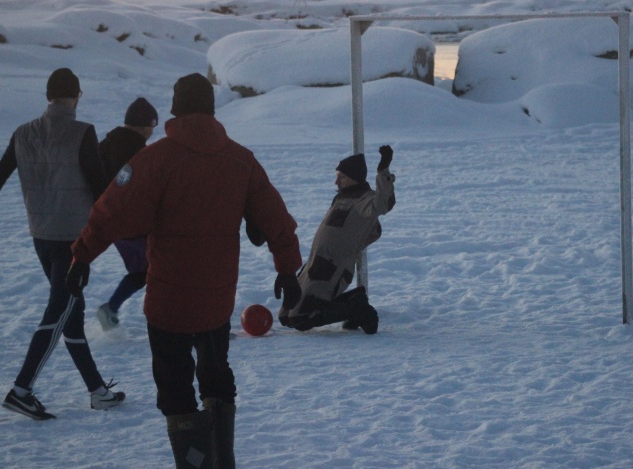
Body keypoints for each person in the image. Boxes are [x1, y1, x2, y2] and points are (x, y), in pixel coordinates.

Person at [66, 73, 302, 468]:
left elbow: (111, 210)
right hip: (216, 299)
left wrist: (81, 255)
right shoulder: (240, 159)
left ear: (174, 110)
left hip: (168, 303)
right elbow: (276, 217)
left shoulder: (153, 159)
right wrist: (288, 269)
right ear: (211, 108)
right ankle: (221, 460)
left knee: (176, 390)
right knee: (216, 377)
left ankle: (195, 462)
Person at [0, 68, 126, 420]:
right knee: (59, 312)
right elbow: (101, 189)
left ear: (48, 96)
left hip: (41, 239)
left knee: (71, 316)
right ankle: (21, 390)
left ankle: (97, 392)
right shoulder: (83, 133)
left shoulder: (23, 133)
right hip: (73, 243)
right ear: (77, 96)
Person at [277, 146, 396, 335]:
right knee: (286, 315)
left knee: (300, 318)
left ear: (354, 178)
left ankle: (358, 309)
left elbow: (382, 203)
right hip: (314, 266)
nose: (336, 181)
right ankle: (354, 302)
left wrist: (383, 170)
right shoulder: (342, 199)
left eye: (342, 177)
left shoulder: (363, 200)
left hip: (332, 270)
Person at [95, 97, 159, 331]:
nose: (152, 132)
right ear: (144, 125)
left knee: (143, 270)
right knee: (166, 267)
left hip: (110, 223)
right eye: (152, 127)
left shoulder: (104, 145)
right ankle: (195, 322)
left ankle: (110, 308)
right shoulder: (138, 152)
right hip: (135, 225)